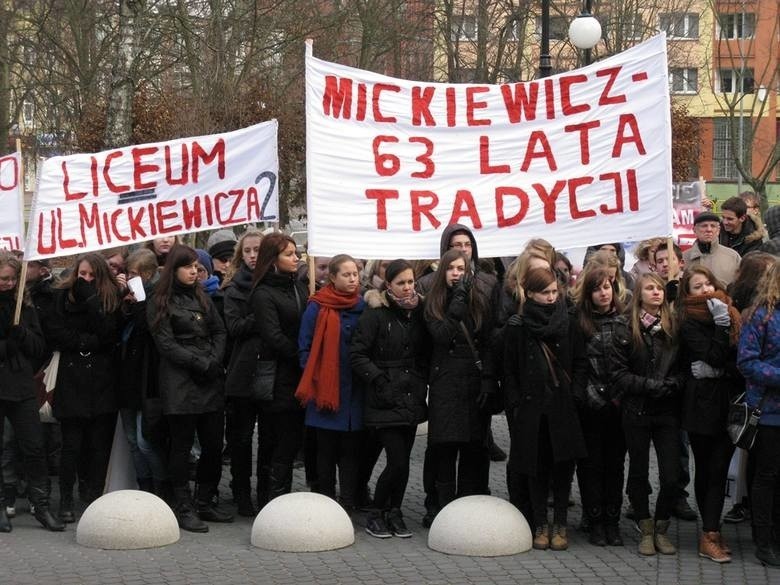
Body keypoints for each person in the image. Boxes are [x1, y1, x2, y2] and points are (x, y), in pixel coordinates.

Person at [147, 245, 232, 533]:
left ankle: (205, 500)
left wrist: (214, 360)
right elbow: (166, 344)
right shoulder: (160, 300)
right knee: (181, 446)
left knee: (212, 444)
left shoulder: (203, 297)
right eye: (187, 266)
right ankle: (182, 504)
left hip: (209, 379)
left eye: (196, 266)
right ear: (175, 269)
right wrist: (199, 362)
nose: (194, 271)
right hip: (180, 381)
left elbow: (219, 331)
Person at [503, 267, 586, 551]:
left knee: (563, 467)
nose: (551, 297)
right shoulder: (518, 326)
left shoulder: (569, 321)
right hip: (531, 408)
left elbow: (580, 361)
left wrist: (575, 395)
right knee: (535, 467)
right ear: (530, 294)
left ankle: (560, 522)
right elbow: (510, 370)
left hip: (563, 406)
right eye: (545, 292)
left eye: (554, 291)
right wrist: (515, 403)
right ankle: (540, 522)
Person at [351, 259, 429, 538]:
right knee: (397, 461)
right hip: (384, 399)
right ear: (388, 285)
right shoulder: (375, 313)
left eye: (410, 282)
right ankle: (375, 512)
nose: (407, 288)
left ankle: (394, 511)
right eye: (401, 283)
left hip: (411, 396)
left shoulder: (419, 312)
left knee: (404, 461)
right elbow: (357, 355)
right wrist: (380, 379)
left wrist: (420, 379)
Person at [612, 272, 683, 556]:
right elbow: (618, 373)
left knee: (671, 475)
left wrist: (671, 385)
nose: (656, 293)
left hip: (666, 409)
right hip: (637, 408)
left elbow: (683, 369)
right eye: (650, 288)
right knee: (638, 471)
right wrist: (649, 386)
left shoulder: (675, 325)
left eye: (659, 288)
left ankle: (662, 524)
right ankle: (645, 525)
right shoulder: (624, 327)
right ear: (638, 294)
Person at [424, 249, 497, 522]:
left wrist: (488, 380)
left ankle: (469, 504)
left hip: (473, 382)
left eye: (462, 268)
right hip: (446, 383)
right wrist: (457, 300)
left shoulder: (479, 300)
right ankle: (442, 507)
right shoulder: (433, 303)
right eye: (452, 268)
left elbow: (487, 341)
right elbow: (441, 335)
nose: (457, 273)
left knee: (473, 447)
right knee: (445, 447)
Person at [48, 253, 121, 522]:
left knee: (99, 444)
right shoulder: (61, 298)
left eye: (92, 275)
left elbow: (109, 334)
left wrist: (92, 300)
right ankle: (66, 498)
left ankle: (93, 494)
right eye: (82, 275)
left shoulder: (108, 299)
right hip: (72, 378)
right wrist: (85, 343)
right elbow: (56, 333)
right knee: (72, 445)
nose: (86, 280)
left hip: (102, 380)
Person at [677, 265, 742, 563]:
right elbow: (714, 354)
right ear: (687, 294)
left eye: (707, 284)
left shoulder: (731, 313)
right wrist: (720, 326)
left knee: (719, 468)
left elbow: (738, 361)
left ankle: (712, 530)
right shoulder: (689, 321)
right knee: (708, 469)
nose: (704, 290)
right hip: (701, 406)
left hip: (726, 403)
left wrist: (717, 370)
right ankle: (710, 533)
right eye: (696, 286)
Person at [0, 252, 64, 532]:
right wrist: (6, 348)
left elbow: (40, 347)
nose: (8, 283)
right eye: (3, 278)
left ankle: (41, 506)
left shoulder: (23, 306)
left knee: (34, 446)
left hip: (21, 386)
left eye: (13, 278)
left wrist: (23, 336)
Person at [297, 255, 365, 513]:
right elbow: (304, 346)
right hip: (324, 390)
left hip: (355, 392)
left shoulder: (364, 306)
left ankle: (348, 502)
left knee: (351, 453)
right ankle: (325, 502)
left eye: (355, 274)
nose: (352, 279)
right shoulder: (316, 306)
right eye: (346, 274)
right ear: (332, 278)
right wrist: (315, 376)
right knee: (325, 452)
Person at [249, 233, 308, 503]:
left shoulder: (299, 287)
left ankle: (279, 494)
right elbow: (272, 335)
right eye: (289, 254)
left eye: (296, 253)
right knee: (276, 439)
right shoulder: (263, 293)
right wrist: (302, 355)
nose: (295, 258)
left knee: (291, 437)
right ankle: (270, 496)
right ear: (273, 259)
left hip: (297, 373)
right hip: (276, 375)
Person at [572, 266, 626, 547]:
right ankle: (594, 520)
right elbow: (578, 366)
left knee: (615, 465)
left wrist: (617, 395)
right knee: (591, 466)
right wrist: (590, 396)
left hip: (618, 403)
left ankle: (612, 520)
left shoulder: (624, 320)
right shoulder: (579, 322)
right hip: (590, 405)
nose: (603, 293)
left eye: (607, 287)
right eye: (597, 288)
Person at [737, 259, 780, 567]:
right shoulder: (761, 317)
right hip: (768, 411)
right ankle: (763, 540)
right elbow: (747, 362)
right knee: (767, 475)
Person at [223, 228, 265, 515]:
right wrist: (262, 313)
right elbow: (235, 328)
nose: (252, 255)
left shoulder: (279, 284)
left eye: (258, 250)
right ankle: (240, 492)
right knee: (240, 438)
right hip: (241, 372)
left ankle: (266, 491)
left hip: (271, 371)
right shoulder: (233, 288)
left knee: (270, 439)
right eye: (247, 251)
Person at [683, 212, 741, 286]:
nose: (709, 229)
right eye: (704, 226)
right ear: (694, 230)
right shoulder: (684, 258)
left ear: (718, 230)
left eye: (713, 226)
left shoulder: (732, 257)